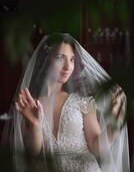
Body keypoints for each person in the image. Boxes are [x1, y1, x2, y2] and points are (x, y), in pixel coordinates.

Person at [1, 33, 130, 172]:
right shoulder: (30, 104)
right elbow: (33, 152)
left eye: (72, 59)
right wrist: (34, 125)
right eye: (60, 57)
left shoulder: (82, 102)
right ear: (45, 59)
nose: (68, 66)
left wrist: (115, 125)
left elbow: (96, 146)